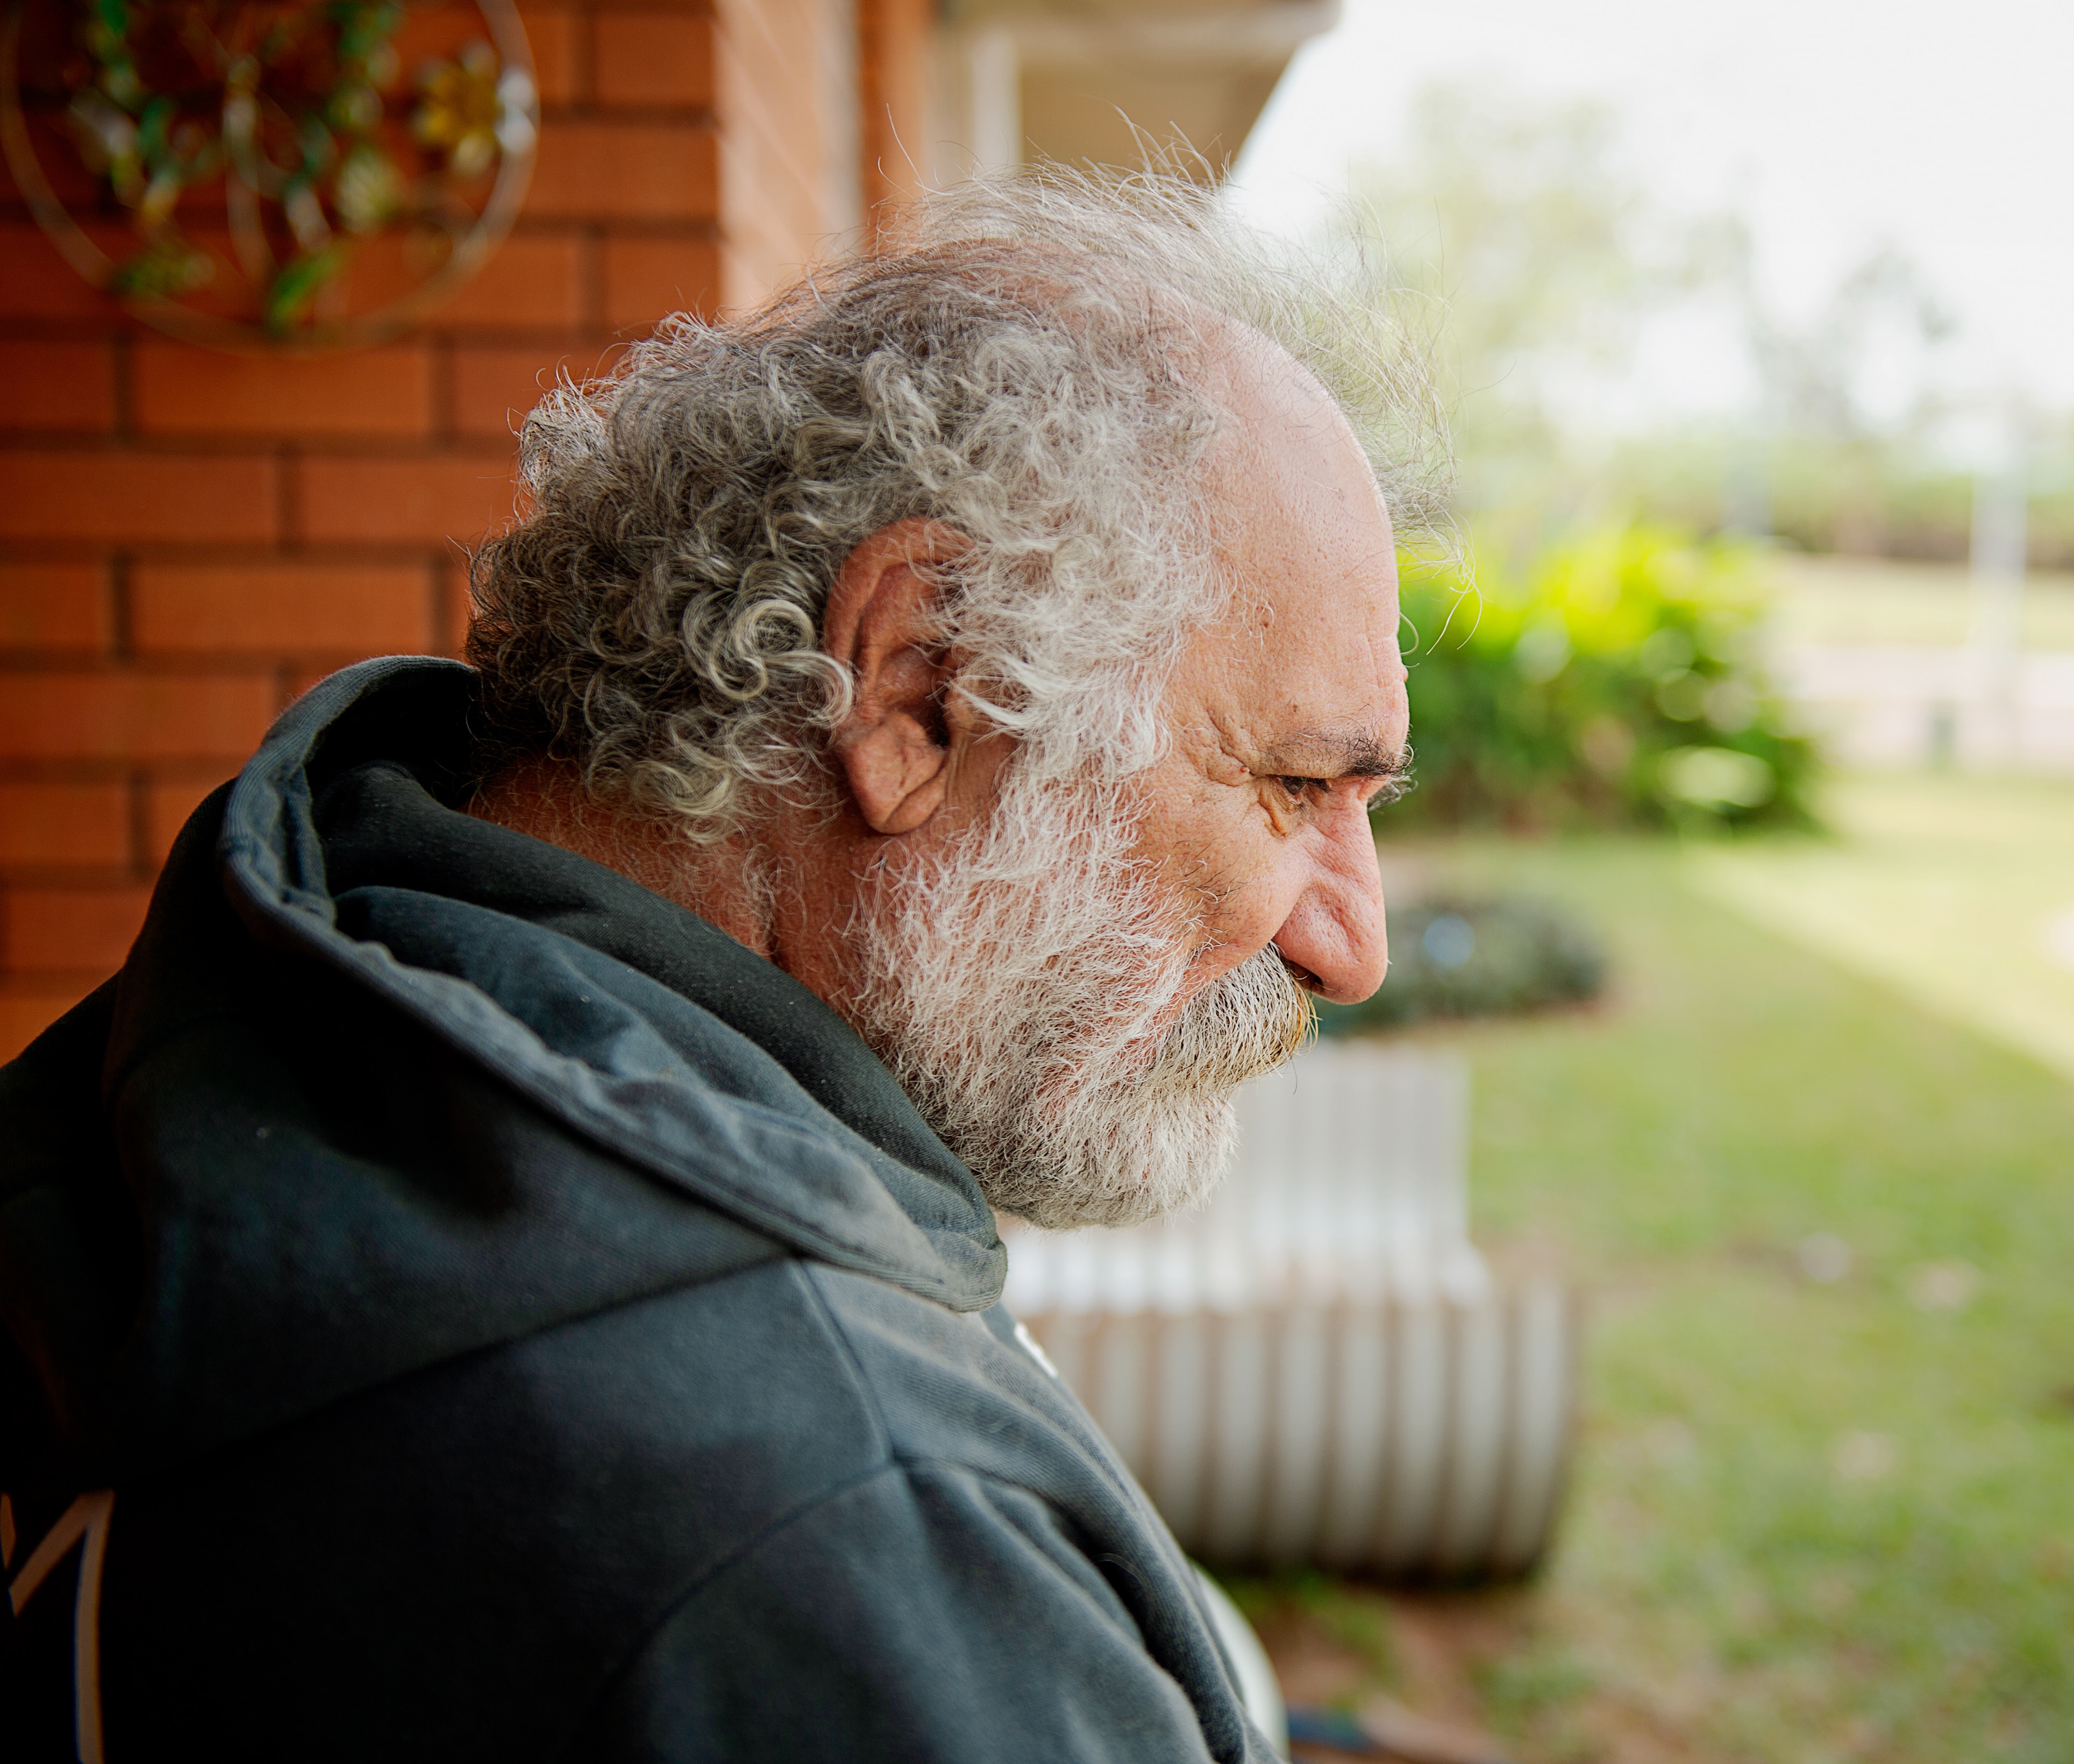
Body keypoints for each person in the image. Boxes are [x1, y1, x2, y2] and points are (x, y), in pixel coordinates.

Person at [0, 172, 1439, 1760]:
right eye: (1296, 786)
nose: (1348, 943)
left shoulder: (272, 1011)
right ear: (921, 684)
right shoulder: (830, 1515)